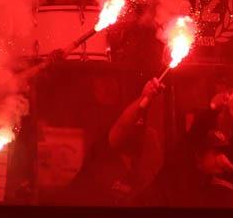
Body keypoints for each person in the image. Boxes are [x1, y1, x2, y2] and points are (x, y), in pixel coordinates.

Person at [65, 77, 165, 206]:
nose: (137, 128)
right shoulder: (100, 154)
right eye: (134, 123)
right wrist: (144, 97)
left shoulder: (143, 168)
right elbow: (121, 127)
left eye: (140, 123)